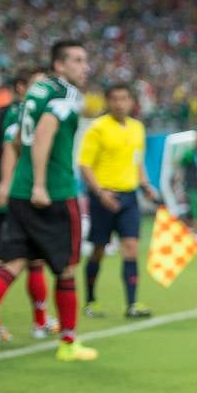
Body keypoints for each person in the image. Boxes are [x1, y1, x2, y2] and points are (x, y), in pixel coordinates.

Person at [0, 40, 98, 363]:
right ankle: (69, 342)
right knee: (67, 269)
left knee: (13, 261)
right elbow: (45, 132)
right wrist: (42, 184)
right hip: (54, 192)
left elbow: (18, 140)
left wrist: (14, 181)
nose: (84, 66)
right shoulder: (65, 93)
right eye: (76, 60)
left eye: (85, 60)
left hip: (20, 190)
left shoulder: (35, 92)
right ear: (58, 65)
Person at [0, 66, 59, 343]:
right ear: (21, 88)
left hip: (6, 194)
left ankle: (30, 321)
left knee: (28, 260)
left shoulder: (5, 115)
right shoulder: (20, 113)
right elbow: (10, 151)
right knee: (10, 261)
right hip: (13, 196)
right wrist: (5, 184)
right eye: (38, 86)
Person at [78, 83, 159, 318]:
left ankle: (132, 304)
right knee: (98, 250)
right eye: (114, 99)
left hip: (129, 197)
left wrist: (145, 185)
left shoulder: (137, 128)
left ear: (131, 101)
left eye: (124, 98)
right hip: (104, 196)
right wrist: (100, 193)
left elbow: (137, 161)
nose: (119, 103)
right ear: (107, 101)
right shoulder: (97, 128)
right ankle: (91, 301)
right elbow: (84, 164)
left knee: (131, 248)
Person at [174, 130, 197, 233]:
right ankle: (196, 232)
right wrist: (178, 184)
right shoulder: (190, 154)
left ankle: (184, 227)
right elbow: (180, 167)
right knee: (195, 210)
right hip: (192, 186)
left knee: (195, 209)